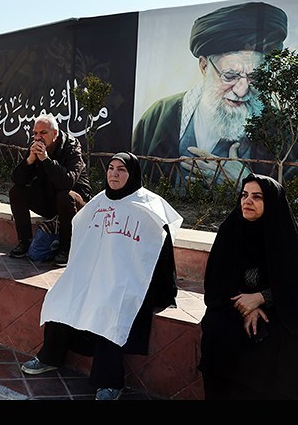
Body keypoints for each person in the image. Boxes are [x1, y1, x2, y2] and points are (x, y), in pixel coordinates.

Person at [21, 152, 182, 400]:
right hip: (95, 273)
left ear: (133, 174)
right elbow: (83, 236)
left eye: (121, 170)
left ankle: (110, 382)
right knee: (62, 295)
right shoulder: (99, 202)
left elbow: (159, 254)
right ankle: (50, 357)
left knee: (110, 306)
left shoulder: (148, 207)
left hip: (127, 280)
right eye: (111, 168)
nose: (114, 174)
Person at [131, 1, 298, 188]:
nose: (242, 90)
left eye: (255, 77)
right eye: (230, 76)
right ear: (204, 66)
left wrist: (245, 184)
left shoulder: (289, 134)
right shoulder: (159, 116)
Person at [198, 173, 298, 400]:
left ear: (271, 202)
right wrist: (246, 306)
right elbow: (217, 280)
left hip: (279, 307)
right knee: (219, 330)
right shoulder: (230, 229)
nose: (247, 201)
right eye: (244, 195)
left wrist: (262, 297)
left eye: (257, 197)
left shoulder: (283, 235)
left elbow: (296, 285)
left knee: (285, 345)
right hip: (233, 303)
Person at [8, 113, 91, 266]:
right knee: (16, 192)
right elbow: (18, 179)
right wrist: (30, 160)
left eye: (43, 133)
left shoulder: (72, 147)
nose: (38, 138)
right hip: (50, 200)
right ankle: (25, 242)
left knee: (65, 196)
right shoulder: (35, 147)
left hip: (75, 204)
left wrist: (46, 160)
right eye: (35, 133)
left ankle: (66, 248)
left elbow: (67, 182)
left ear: (55, 133)